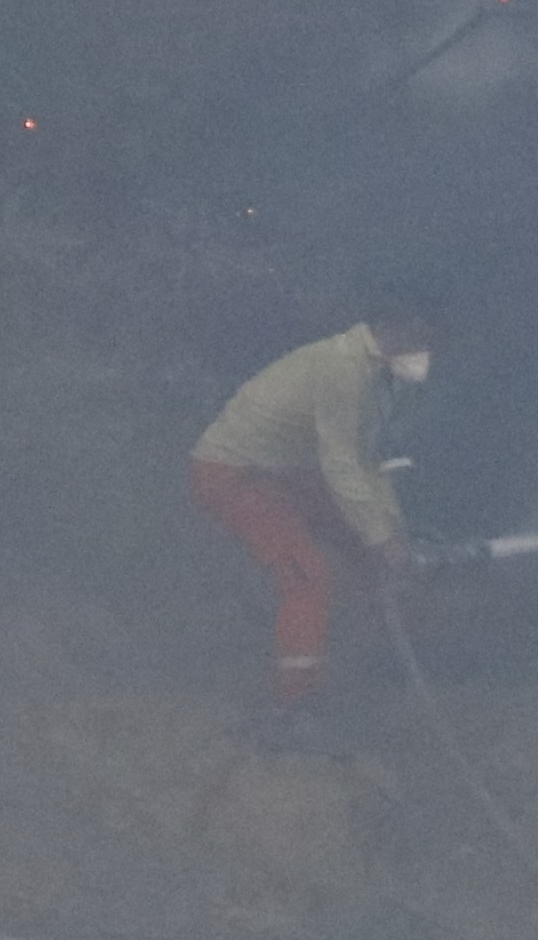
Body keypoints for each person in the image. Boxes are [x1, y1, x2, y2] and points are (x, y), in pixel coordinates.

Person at [188, 285, 440, 716]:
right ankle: (299, 705)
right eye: (417, 337)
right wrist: (382, 539)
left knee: (371, 556)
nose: (423, 350)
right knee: (308, 577)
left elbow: (365, 461)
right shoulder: (343, 369)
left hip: (289, 473)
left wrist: (389, 533)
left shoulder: (379, 376)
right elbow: (341, 463)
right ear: (389, 328)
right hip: (233, 474)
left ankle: (387, 662)